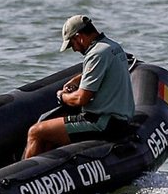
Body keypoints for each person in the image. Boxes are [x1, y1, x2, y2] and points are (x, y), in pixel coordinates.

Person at [23, 14, 136, 159]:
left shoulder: (96, 54)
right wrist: (77, 80)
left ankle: (26, 172)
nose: (75, 50)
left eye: (72, 45)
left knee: (35, 132)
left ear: (79, 37)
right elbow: (104, 73)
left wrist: (62, 96)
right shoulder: (112, 46)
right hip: (119, 120)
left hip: (103, 123)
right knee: (51, 130)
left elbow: (82, 98)